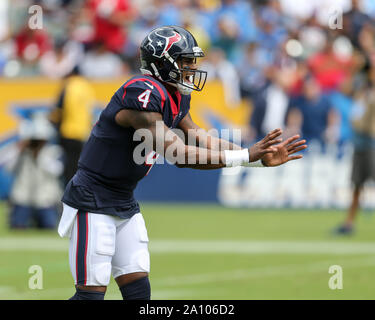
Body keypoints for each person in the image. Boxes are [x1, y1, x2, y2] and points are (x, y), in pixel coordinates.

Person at [57, 26, 307, 300]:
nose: (192, 67)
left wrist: (253, 158)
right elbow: (179, 154)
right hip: (93, 199)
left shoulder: (175, 93)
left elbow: (200, 137)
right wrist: (245, 156)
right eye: (186, 61)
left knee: (138, 293)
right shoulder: (142, 93)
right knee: (90, 296)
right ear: (162, 62)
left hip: (123, 199)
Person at [334, 67, 375, 235]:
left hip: (371, 145)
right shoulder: (362, 95)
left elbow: (363, 124)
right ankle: (349, 223)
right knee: (357, 186)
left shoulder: (368, 98)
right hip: (360, 145)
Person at [6, 113, 63, 229]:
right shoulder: (21, 153)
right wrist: (19, 150)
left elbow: (57, 170)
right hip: (23, 198)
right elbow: (9, 168)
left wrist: (39, 155)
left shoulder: (53, 151)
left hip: (46, 200)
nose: (36, 143)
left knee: (48, 226)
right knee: (18, 226)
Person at [50, 66, 95, 186]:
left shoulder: (68, 85)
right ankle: (75, 190)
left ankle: (68, 191)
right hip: (82, 132)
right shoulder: (86, 87)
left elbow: (59, 109)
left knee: (67, 166)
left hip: (68, 131)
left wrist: (52, 121)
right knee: (77, 165)